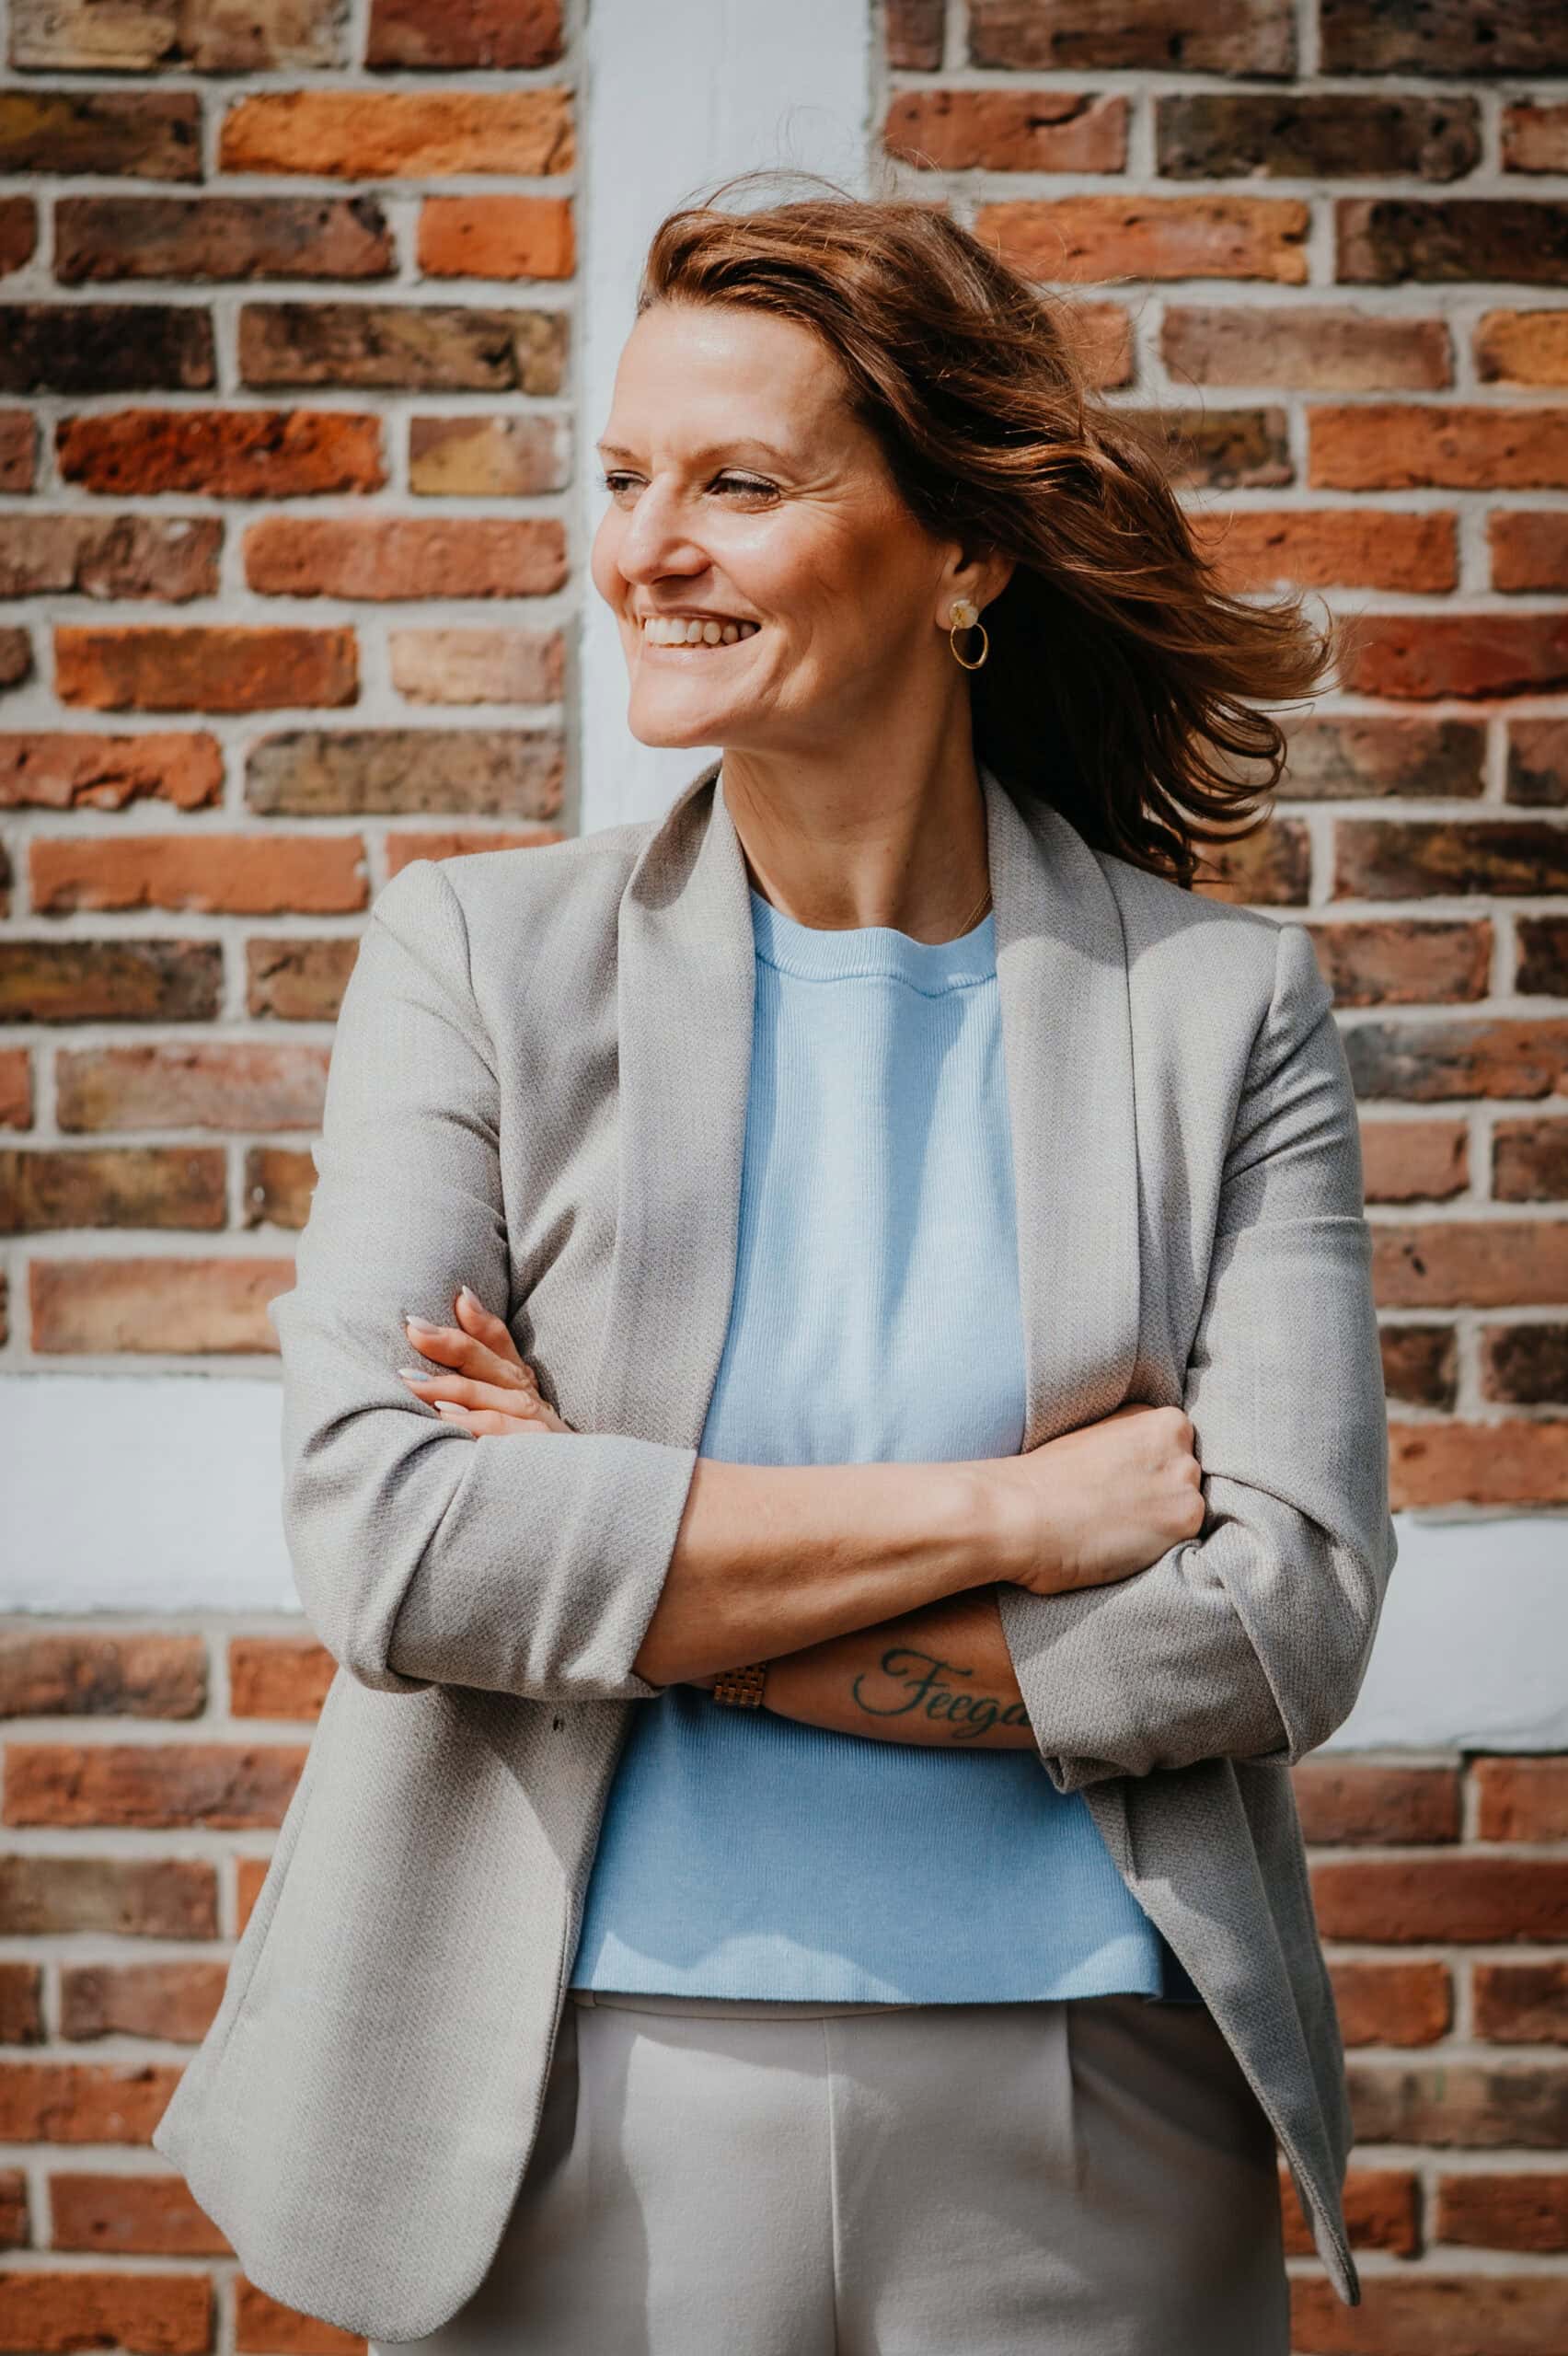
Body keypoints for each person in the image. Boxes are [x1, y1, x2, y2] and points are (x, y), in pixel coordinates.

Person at [149, 175, 1397, 2355]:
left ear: (964, 552)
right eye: (626, 478)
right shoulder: (479, 959)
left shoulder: (1221, 1007)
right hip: (571, 2089)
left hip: (1098, 2102)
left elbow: (1277, 1614)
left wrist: (634, 1578)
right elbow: (400, 1539)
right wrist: (1011, 1514)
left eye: (740, 483)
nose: (649, 545)